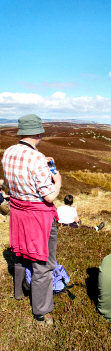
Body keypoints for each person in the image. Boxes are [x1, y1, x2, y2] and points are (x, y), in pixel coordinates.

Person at [1, 114, 61, 325]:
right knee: (42, 263)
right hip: (38, 217)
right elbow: (49, 196)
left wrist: (41, 162)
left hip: (18, 212)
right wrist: (58, 181)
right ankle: (41, 312)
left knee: (20, 255)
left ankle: (19, 292)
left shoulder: (8, 153)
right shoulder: (36, 158)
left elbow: (16, 177)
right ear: (38, 133)